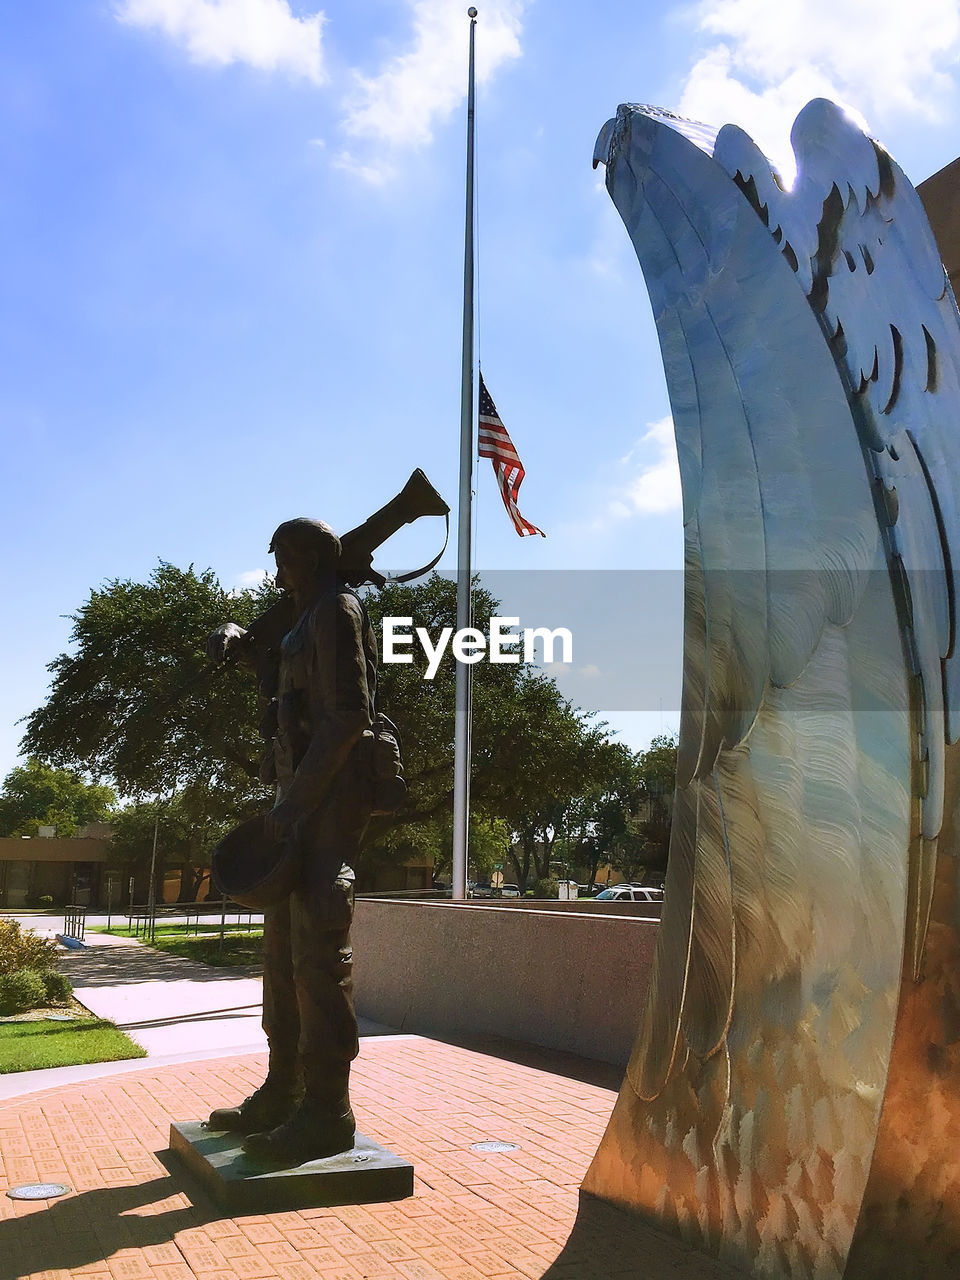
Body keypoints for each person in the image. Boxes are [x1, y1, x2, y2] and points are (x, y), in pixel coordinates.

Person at [206, 517, 376, 1164]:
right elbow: (287, 706)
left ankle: (328, 1112)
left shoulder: (336, 611)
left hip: (326, 803)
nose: (277, 572)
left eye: (282, 559)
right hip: (297, 802)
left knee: (318, 952)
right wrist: (247, 650)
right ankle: (284, 1090)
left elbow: (348, 715)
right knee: (281, 956)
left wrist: (297, 805)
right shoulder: (302, 621)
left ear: (306, 559)